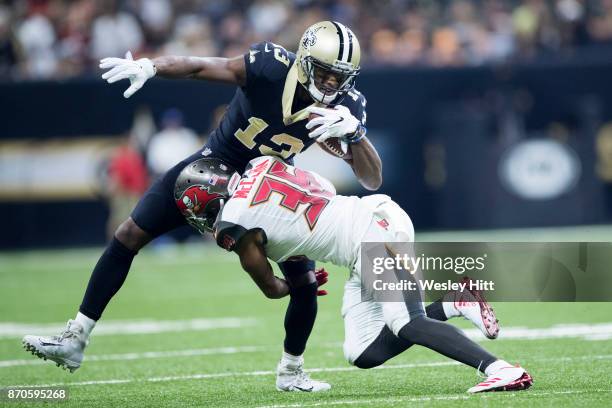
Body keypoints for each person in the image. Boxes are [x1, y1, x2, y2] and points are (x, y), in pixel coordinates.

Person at [22, 21, 381, 393]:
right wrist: (151, 66)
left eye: (339, 78)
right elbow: (201, 66)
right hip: (213, 166)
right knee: (127, 234)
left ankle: (292, 371)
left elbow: (372, 179)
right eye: (323, 73)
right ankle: (75, 338)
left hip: (274, 185)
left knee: (304, 282)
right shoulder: (269, 66)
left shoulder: (348, 105)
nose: (329, 85)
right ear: (305, 60)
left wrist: (355, 135)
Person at [173, 155, 533, 393]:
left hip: (371, 237)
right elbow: (323, 191)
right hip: (370, 222)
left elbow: (270, 287)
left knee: (406, 322)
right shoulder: (263, 164)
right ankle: (454, 302)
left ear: (209, 200)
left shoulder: (233, 225)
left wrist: (296, 284)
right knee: (362, 353)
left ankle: (500, 369)